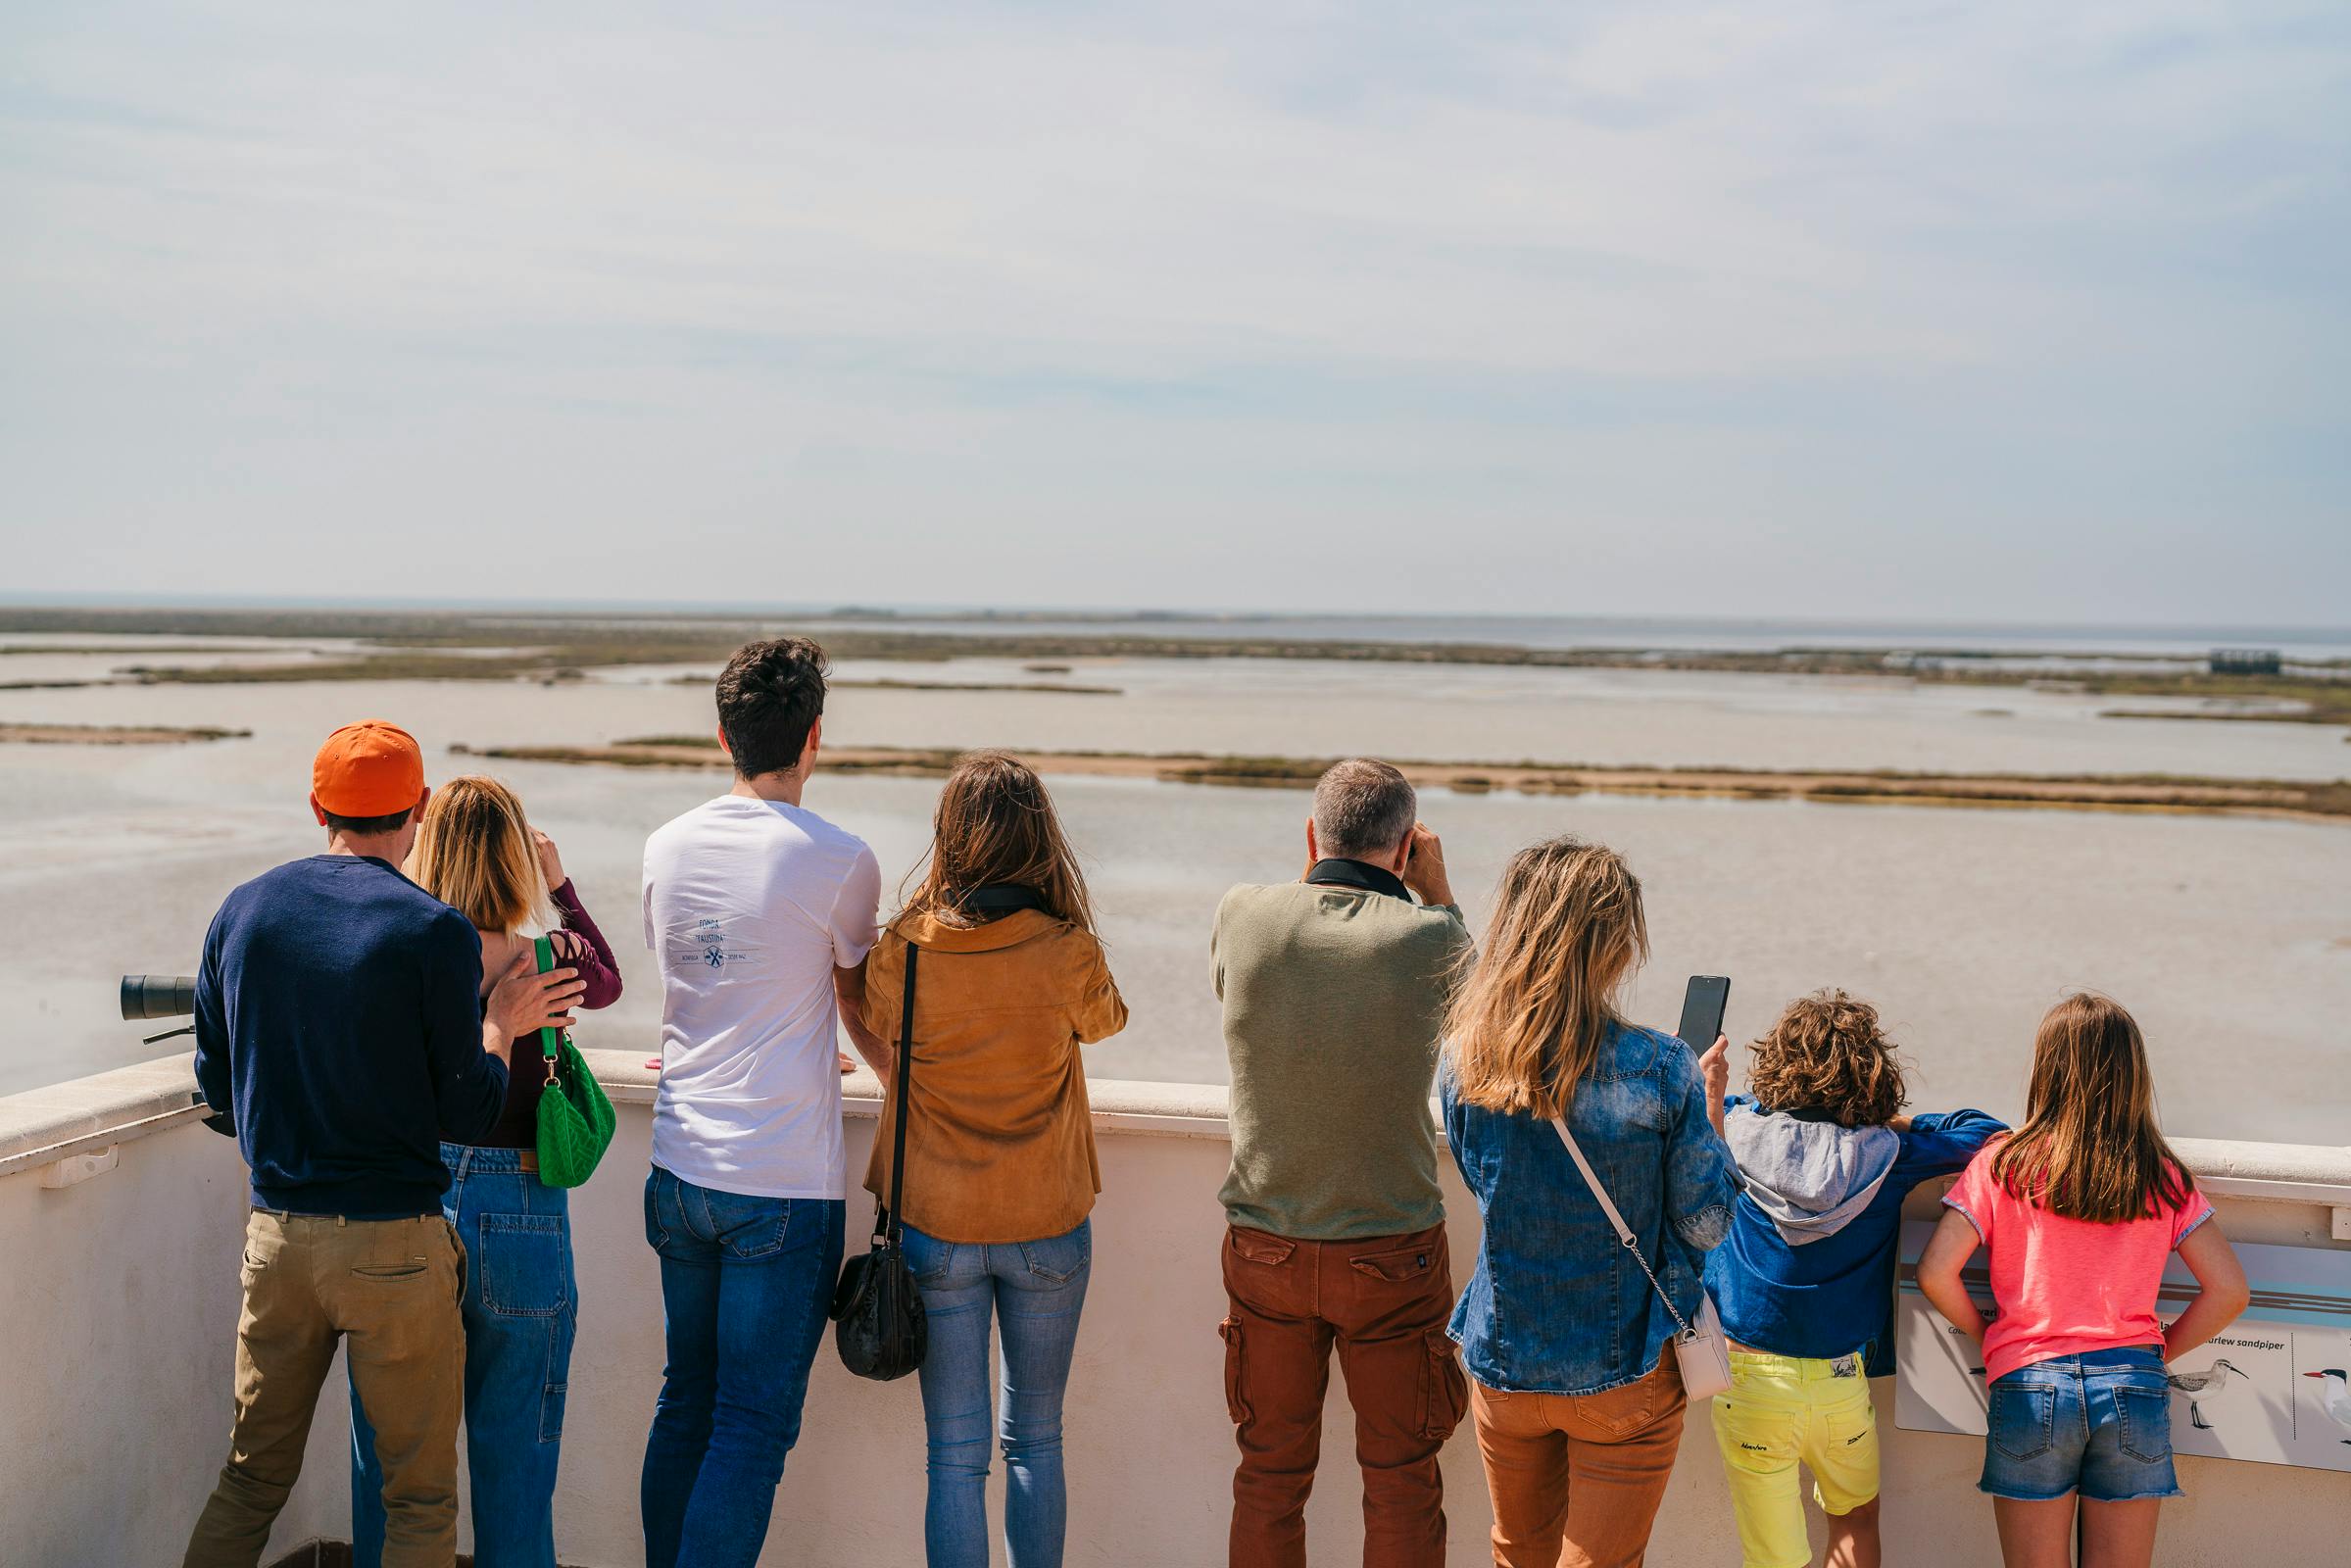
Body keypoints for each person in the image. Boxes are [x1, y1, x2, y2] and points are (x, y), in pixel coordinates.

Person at [181, 721, 584, 1568]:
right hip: (395, 1253)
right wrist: (501, 1027)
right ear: (421, 808)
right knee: (420, 1499)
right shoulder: (429, 928)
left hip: (278, 1238)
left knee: (251, 1480)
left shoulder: (241, 911)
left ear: (316, 807)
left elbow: (217, 1090)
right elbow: (468, 1110)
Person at [637, 637, 888, 1568]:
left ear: (722, 736)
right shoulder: (838, 858)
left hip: (678, 1169)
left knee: (685, 1402)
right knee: (749, 1427)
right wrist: (906, 1081)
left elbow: (696, 984)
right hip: (780, 1184)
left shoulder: (665, 845)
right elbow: (856, 1002)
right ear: (814, 736)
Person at [347, 776, 625, 1568]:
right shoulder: (544, 956)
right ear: (513, 855)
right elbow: (605, 978)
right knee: (517, 1457)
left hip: (411, 1200)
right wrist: (560, 885)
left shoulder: (400, 952)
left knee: (390, 1455)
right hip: (522, 1202)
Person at [860, 752, 1128, 1568]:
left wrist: (925, 903)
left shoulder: (907, 947)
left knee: (955, 1455)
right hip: (1047, 1224)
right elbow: (1107, 1021)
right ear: (1041, 842)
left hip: (935, 1228)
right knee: (1034, 1440)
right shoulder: (1065, 950)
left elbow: (876, 1016)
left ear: (950, 841)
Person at [1440, 835, 1738, 1568]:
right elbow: (1706, 1224)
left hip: (1504, 1361)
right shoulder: (1663, 1068)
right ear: (1612, 945)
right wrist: (1709, 1111)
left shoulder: (1463, 1061)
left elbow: (1488, 1189)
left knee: (1517, 1553)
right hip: (1620, 1372)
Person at [1210, 758, 1472, 1568]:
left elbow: (1274, 948)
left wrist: (1320, 865)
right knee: (1399, 1476)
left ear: (1313, 833)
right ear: (1405, 848)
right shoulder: (1435, 938)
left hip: (1266, 1247)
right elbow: (1484, 1012)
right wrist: (1438, 890)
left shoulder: (1244, 913)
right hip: (1389, 1250)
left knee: (1268, 1474)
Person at [1916, 994, 2249, 1568]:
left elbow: (1936, 1272)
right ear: (2132, 1074)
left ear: (2047, 1069)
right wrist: (2155, 1351)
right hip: (2132, 1385)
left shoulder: (2003, 1163)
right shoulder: (2160, 1173)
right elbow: (2228, 1291)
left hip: (2029, 1379)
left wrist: (1989, 1337)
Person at [1702, 990, 2006, 1568]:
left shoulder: (1734, 1131)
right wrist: (1893, 1119)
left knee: (1773, 1558)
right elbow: (1987, 1133)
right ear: (1871, 1074)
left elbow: (1705, 1104)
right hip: (1840, 1379)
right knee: (1854, 1516)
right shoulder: (1891, 1153)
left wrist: (1727, 1095)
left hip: (1747, 1380)